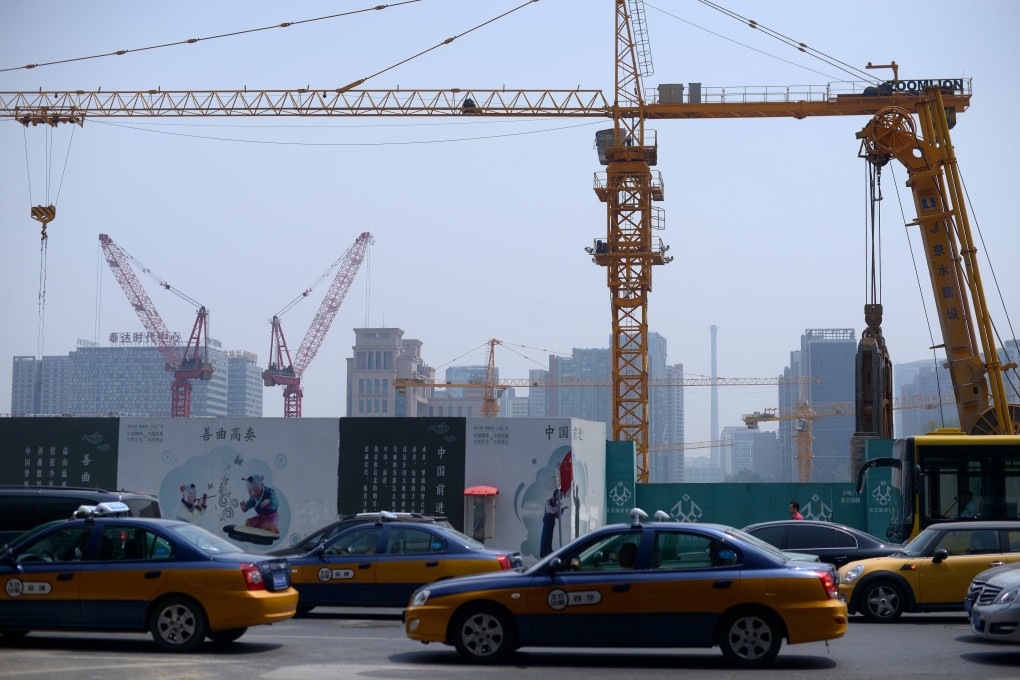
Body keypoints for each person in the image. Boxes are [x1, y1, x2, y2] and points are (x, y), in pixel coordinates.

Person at [540, 488, 567, 557]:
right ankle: (543, 553)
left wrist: (562, 510)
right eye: (560, 495)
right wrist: (558, 506)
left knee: (550, 538)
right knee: (545, 538)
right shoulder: (548, 502)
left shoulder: (555, 503)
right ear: (556, 495)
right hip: (547, 523)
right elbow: (551, 511)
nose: (561, 497)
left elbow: (557, 516)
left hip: (552, 524)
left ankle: (549, 550)